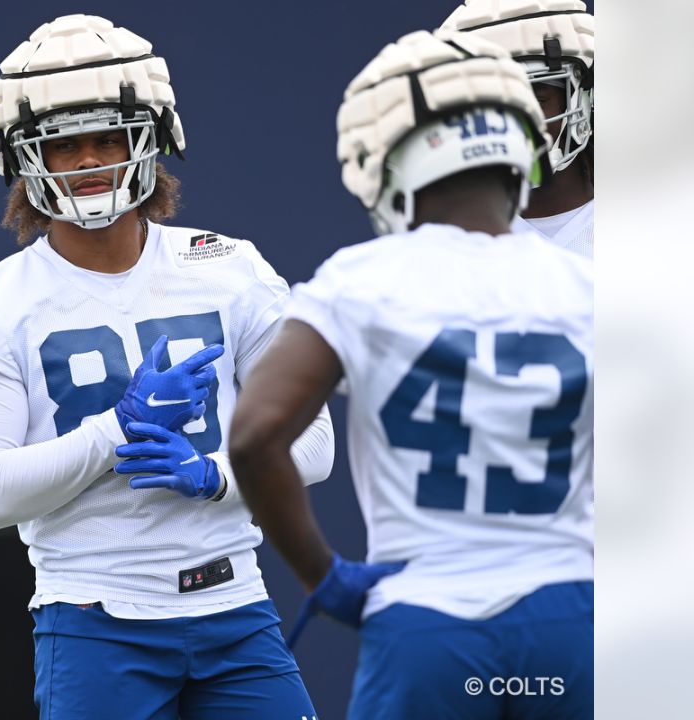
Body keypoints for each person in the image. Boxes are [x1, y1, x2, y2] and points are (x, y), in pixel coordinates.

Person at [0, 14, 333, 720]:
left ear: (154, 137)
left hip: (235, 606)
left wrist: (219, 476)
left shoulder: (230, 268)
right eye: (63, 145)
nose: (87, 160)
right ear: (25, 160)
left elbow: (316, 445)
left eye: (106, 138)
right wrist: (116, 431)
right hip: (96, 621)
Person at [228, 29, 593, 719]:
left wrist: (325, 578)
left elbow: (253, 436)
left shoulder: (363, 282)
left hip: (428, 623)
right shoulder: (590, 286)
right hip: (572, 621)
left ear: (387, 160)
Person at [442, 0, 595, 258]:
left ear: (581, 99)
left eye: (534, 99)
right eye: (487, 106)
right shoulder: (446, 252)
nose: (510, 124)